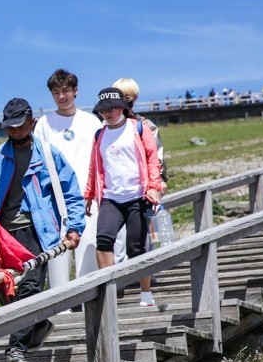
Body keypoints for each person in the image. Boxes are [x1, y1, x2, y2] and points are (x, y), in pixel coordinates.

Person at [0, 97, 85, 362]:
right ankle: (40, 324)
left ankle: (15, 348)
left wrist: (75, 226)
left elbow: (72, 191)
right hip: (5, 233)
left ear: (31, 121)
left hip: (36, 231)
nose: (16, 131)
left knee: (30, 286)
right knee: (9, 291)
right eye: (10, 127)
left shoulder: (49, 154)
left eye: (20, 126)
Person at [83, 88, 162, 307]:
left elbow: (152, 158)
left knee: (135, 247)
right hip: (111, 198)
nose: (107, 113)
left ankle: (145, 293)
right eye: (103, 110)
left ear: (122, 108)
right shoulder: (99, 135)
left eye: (112, 108)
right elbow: (94, 166)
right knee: (104, 240)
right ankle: (108, 293)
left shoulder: (137, 127)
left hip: (137, 196)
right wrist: (89, 194)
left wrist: (154, 187)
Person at [33, 68, 101, 290]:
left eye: (65, 91)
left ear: (75, 91)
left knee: (87, 251)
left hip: (86, 196)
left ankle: (88, 298)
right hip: (55, 200)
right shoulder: (44, 123)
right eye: (56, 92)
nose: (61, 97)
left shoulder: (92, 122)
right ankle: (61, 304)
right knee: (57, 256)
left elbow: (99, 160)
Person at [111, 77, 167, 263]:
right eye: (122, 96)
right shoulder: (105, 126)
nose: (127, 100)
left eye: (130, 96)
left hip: (142, 188)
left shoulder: (146, 125)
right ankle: (119, 279)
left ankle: (146, 275)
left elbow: (156, 156)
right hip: (115, 188)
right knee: (117, 239)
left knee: (145, 235)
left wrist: (159, 181)